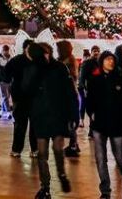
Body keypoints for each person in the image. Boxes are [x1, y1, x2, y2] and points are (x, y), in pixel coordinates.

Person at [25, 42, 76, 199]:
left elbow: (70, 92)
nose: (45, 55)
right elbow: (26, 89)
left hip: (58, 115)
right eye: (42, 53)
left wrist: (73, 115)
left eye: (47, 52)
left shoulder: (60, 68)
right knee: (42, 154)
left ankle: (61, 174)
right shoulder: (34, 69)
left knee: (58, 149)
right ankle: (45, 187)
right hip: (40, 116)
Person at [85, 51, 122, 199]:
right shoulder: (94, 79)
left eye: (112, 59)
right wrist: (92, 113)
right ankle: (105, 190)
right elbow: (89, 100)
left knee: (120, 158)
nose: (111, 62)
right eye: (107, 59)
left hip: (118, 124)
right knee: (100, 158)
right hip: (99, 125)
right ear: (101, 62)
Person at [5, 39, 38, 158]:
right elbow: (5, 75)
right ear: (25, 48)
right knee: (20, 125)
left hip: (35, 99)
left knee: (35, 126)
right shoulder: (16, 60)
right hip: (20, 98)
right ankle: (16, 150)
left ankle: (35, 150)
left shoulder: (38, 61)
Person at [56, 40, 80, 156]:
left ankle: (73, 145)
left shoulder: (68, 62)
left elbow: (69, 78)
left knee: (69, 121)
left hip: (68, 94)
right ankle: (74, 144)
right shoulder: (69, 60)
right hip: (67, 93)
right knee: (68, 120)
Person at [77, 45, 101, 126]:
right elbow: (82, 76)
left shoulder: (100, 63)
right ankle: (82, 119)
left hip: (97, 89)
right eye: (94, 51)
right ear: (91, 52)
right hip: (87, 88)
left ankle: (92, 126)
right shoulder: (87, 63)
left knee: (95, 108)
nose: (96, 52)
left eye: (98, 51)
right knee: (85, 104)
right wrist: (82, 87)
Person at [0, 44, 14, 118]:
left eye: (6, 51)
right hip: (2, 80)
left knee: (8, 96)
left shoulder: (11, 58)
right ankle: (8, 112)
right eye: (4, 51)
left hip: (10, 80)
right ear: (2, 51)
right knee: (5, 96)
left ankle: (3, 111)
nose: (6, 52)